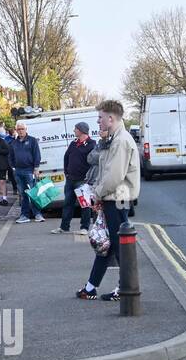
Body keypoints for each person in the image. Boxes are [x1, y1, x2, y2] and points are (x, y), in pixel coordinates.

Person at [77, 100, 142, 301]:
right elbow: (104, 167)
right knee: (107, 245)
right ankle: (91, 287)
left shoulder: (121, 141)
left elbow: (113, 176)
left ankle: (125, 288)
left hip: (117, 199)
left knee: (119, 245)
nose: (98, 121)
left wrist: (96, 194)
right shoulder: (113, 139)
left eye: (101, 117)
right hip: (112, 198)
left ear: (111, 118)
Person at [53, 121, 95, 234]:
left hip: (83, 180)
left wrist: (89, 178)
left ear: (81, 130)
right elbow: (66, 157)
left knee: (85, 204)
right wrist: (66, 172)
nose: (74, 131)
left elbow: (94, 163)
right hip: (70, 179)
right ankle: (64, 227)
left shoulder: (92, 144)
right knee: (67, 204)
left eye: (75, 129)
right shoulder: (73, 143)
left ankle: (84, 228)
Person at [9, 120, 44, 223]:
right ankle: (24, 215)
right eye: (18, 129)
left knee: (33, 193)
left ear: (26, 129)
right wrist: (13, 167)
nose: (20, 131)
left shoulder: (32, 140)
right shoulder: (13, 143)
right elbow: (10, 157)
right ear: (16, 130)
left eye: (22, 129)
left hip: (29, 170)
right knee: (23, 195)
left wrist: (36, 168)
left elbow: (37, 154)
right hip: (18, 171)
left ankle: (37, 214)